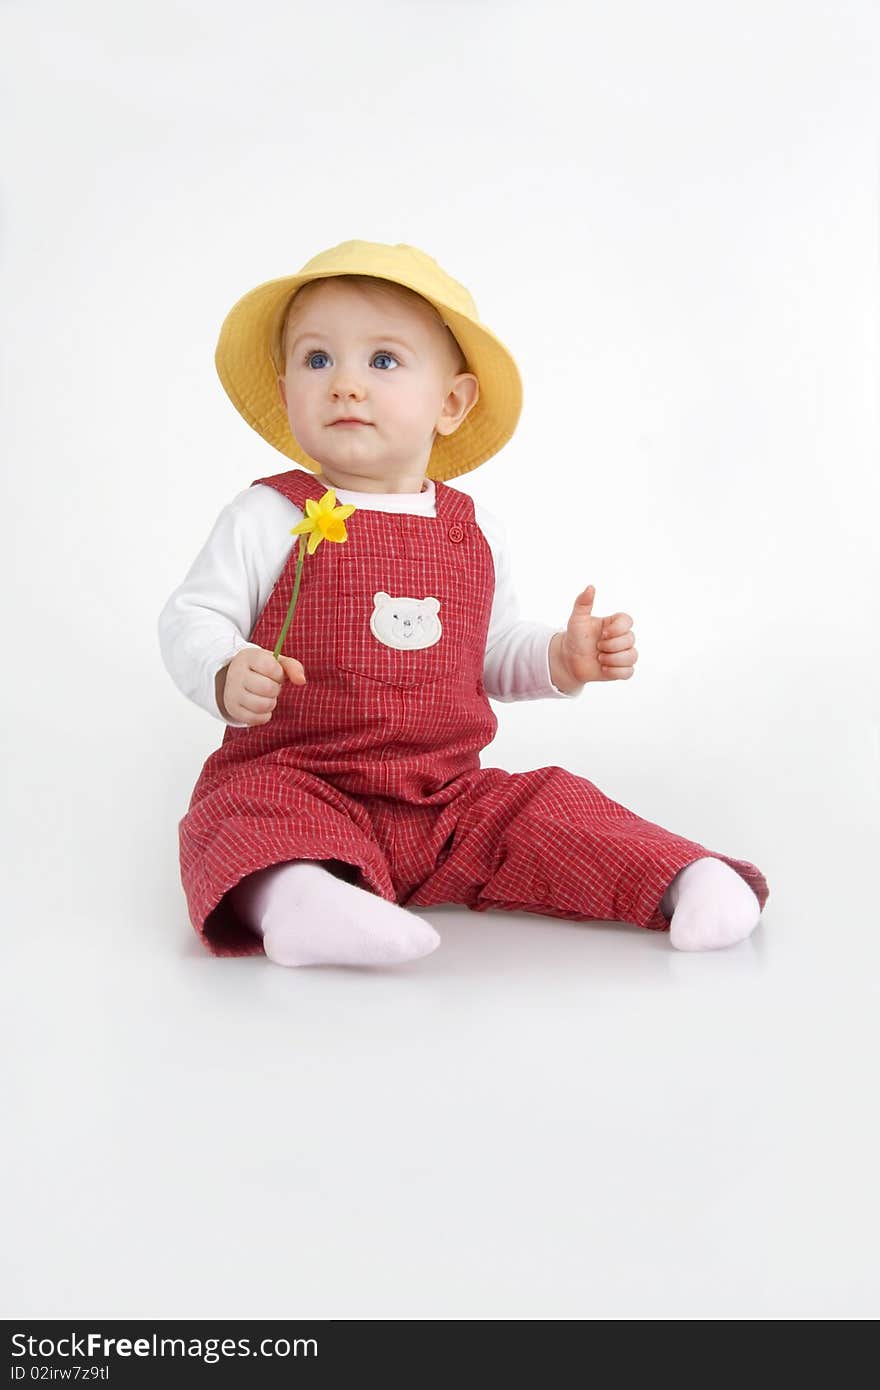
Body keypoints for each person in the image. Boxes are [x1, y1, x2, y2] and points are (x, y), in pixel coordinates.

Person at [158, 239, 769, 967]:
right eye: (318, 360)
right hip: (301, 782)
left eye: (382, 361)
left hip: (447, 802)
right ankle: (298, 898)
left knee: (551, 804)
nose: (346, 384)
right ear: (286, 388)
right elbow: (191, 617)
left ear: (451, 402)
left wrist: (558, 658)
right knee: (234, 816)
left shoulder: (471, 529)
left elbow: (491, 650)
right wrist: (226, 669)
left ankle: (681, 878)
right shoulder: (268, 514)